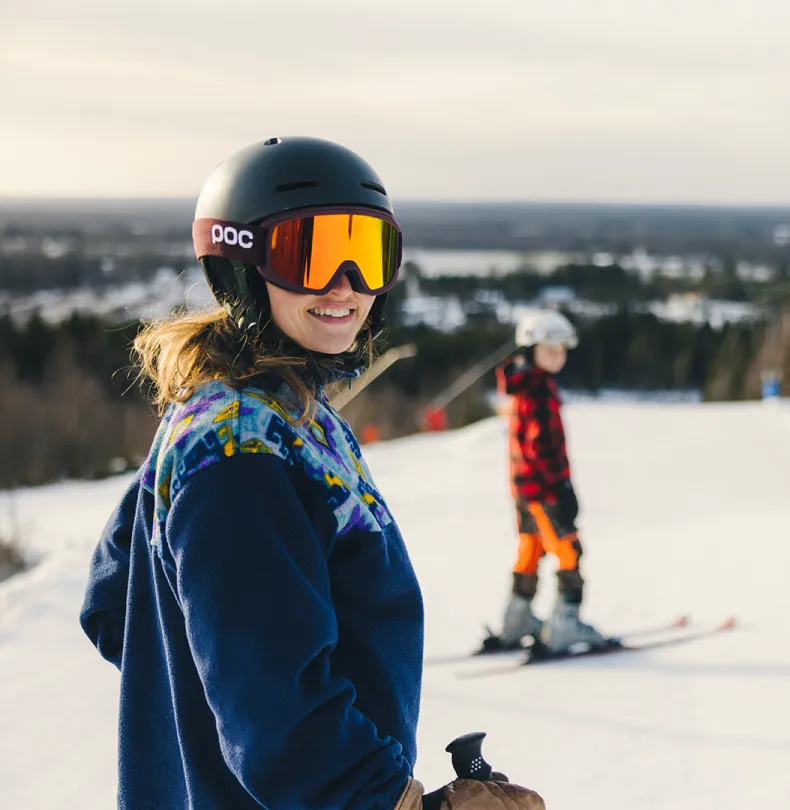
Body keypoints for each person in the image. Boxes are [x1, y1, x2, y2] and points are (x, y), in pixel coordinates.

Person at [78, 136, 543, 810]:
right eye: (311, 254)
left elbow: (113, 605)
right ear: (239, 265)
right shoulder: (239, 459)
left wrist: (198, 697)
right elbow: (277, 717)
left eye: (368, 251)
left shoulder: (254, 413)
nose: (346, 284)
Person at [483, 310, 612, 655]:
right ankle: (564, 625)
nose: (559, 355)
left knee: (530, 549)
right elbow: (543, 449)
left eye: (562, 349)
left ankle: (516, 621)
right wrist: (563, 490)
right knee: (568, 550)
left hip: (525, 491)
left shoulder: (525, 387)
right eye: (551, 349)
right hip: (544, 491)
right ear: (531, 350)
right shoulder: (538, 391)